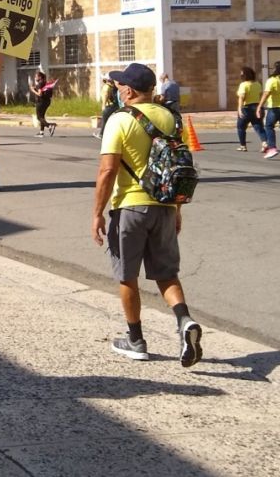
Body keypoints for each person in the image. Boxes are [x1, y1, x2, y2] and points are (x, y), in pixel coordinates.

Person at [91, 62, 203, 367]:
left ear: (128, 90)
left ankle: (136, 339)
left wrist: (97, 213)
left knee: (127, 275)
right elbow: (176, 167)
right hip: (165, 206)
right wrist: (176, 208)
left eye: (119, 87)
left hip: (130, 207)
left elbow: (107, 170)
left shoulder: (119, 120)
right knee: (166, 274)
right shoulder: (170, 117)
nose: (117, 91)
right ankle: (184, 322)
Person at [235, 66, 267, 152]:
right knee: (259, 126)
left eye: (242, 74)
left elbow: (241, 98)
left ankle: (243, 145)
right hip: (256, 107)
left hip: (246, 108)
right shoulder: (257, 84)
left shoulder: (244, 85)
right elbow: (260, 95)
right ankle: (264, 142)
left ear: (245, 75)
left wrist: (239, 109)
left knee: (241, 127)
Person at [31, 70, 56, 137]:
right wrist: (36, 89)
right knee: (42, 117)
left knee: (39, 117)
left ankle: (49, 126)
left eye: (36, 76)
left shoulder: (39, 84)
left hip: (41, 102)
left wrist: (33, 90)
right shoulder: (45, 83)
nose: (35, 78)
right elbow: (43, 91)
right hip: (47, 101)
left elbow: (40, 94)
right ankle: (41, 132)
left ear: (40, 77)